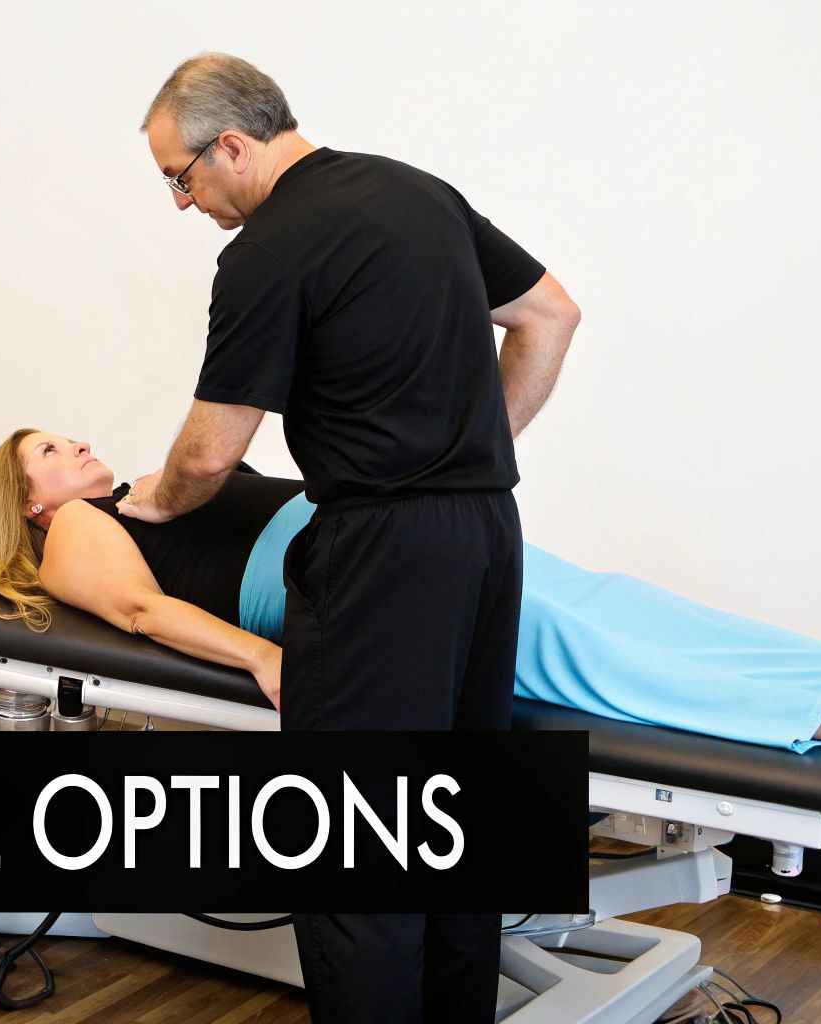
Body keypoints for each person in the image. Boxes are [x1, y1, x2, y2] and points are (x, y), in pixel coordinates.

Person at [120, 53, 579, 1021]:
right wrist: (466, 449)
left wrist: (154, 502)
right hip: (486, 528)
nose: (179, 200)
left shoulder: (267, 248)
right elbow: (549, 314)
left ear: (231, 146)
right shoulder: (417, 191)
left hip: (380, 552)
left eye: (179, 175)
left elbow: (209, 454)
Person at [0, 429, 821, 756]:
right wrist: (267, 658)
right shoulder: (72, 531)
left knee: (606, 597)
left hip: (387, 540)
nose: (71, 442)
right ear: (21, 499)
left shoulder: (128, 492)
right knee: (549, 632)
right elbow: (137, 612)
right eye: (46, 448)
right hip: (338, 584)